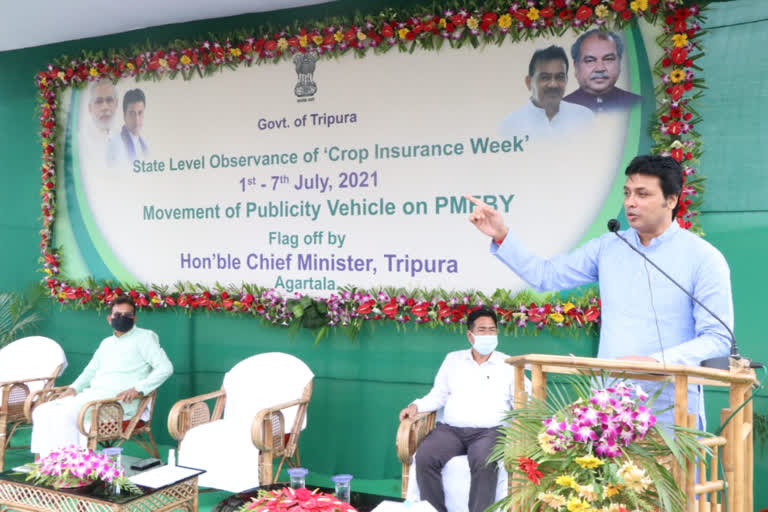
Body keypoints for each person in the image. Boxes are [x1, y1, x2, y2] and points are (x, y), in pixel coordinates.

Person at [465, 155, 732, 428]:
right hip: (609, 403)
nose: (630, 202)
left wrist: (656, 361)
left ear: (671, 200)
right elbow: (546, 276)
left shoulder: (703, 257)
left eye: (642, 194)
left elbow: (718, 337)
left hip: (671, 407)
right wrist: (501, 235)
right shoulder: (609, 247)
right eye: (627, 193)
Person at [399, 308, 523, 512]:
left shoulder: (509, 364)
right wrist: (415, 406)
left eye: (492, 330)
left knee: (484, 461)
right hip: (451, 431)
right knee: (425, 457)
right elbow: (438, 394)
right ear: (470, 335)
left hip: (490, 432)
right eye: (482, 330)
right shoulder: (453, 360)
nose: (488, 335)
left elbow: (525, 399)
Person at [31, 295, 173, 456]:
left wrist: (138, 389)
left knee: (65, 414)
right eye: (117, 315)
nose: (122, 318)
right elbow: (90, 370)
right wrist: (73, 389)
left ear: (134, 318)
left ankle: (71, 465)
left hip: (117, 404)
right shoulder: (107, 343)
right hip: (92, 396)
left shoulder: (145, 337)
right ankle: (47, 464)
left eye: (127, 315)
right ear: (109, 318)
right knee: (42, 410)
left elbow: (165, 368)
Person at [498, 45, 593, 139]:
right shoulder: (510, 125)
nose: (553, 84)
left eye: (560, 77)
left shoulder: (584, 117)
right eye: (545, 77)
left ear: (566, 80)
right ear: (529, 82)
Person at [563, 30, 642, 113]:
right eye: (590, 60)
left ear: (619, 63)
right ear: (576, 67)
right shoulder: (560, 110)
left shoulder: (638, 104)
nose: (600, 68)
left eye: (608, 59)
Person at [108, 88, 148, 164]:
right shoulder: (115, 144)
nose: (136, 119)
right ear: (124, 116)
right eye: (132, 113)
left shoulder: (144, 146)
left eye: (140, 113)